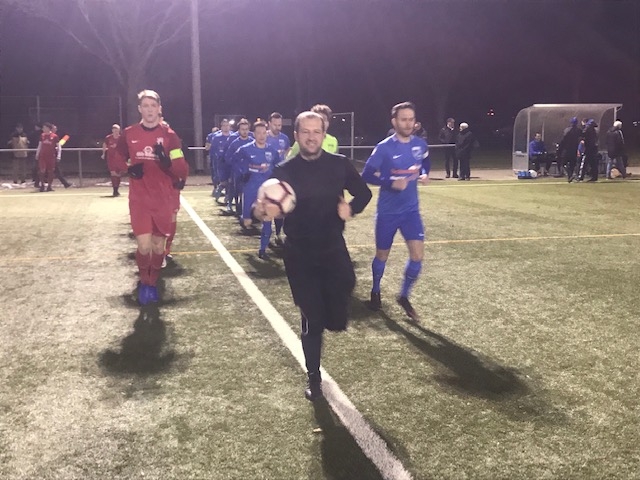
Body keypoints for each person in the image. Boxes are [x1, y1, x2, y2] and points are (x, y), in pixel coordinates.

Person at [254, 111, 372, 401]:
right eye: (305, 132)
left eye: (316, 131)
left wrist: (351, 209)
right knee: (312, 318)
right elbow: (261, 207)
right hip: (300, 253)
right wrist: (263, 211)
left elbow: (364, 194)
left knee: (341, 301)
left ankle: (332, 314)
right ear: (296, 136)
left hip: (333, 248)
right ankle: (314, 377)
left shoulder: (339, 164)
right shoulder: (284, 170)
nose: (311, 137)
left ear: (324, 134)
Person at [111, 90, 189, 305]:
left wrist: (167, 163)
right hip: (140, 199)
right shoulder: (129, 133)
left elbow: (182, 170)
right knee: (144, 246)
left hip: (163, 199)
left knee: (157, 247)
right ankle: (146, 283)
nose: (150, 110)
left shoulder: (170, 136)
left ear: (159, 109)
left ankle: (153, 280)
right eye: (145, 106)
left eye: (153, 106)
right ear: (140, 109)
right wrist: (128, 168)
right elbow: (116, 158)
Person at [362, 101, 430, 321]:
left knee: (417, 256)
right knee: (382, 255)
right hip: (388, 213)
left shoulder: (420, 144)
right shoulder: (384, 147)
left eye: (411, 119)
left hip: (411, 211)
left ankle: (404, 295)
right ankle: (375, 291)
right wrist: (391, 183)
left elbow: (425, 161)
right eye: (403, 119)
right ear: (394, 122)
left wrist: (425, 173)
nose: (408, 123)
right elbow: (366, 174)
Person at [237, 121, 280, 258]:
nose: (261, 136)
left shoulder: (272, 151)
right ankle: (245, 217)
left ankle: (263, 250)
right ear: (254, 134)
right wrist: (242, 173)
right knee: (247, 222)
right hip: (251, 189)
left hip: (266, 192)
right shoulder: (245, 149)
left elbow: (279, 167)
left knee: (267, 220)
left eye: (263, 133)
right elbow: (234, 161)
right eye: (258, 133)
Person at [266, 112, 291, 246]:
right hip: (266, 177)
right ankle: (266, 232)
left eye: (279, 125)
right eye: (275, 125)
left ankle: (278, 233)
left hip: (280, 177)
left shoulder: (284, 138)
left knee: (280, 205)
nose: (277, 127)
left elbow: (287, 151)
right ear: (269, 124)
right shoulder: (264, 137)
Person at [224, 118, 254, 216]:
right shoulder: (235, 143)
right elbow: (228, 158)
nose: (244, 131)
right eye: (242, 129)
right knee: (238, 191)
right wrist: (236, 167)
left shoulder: (253, 142)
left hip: (251, 172)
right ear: (239, 130)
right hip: (237, 173)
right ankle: (238, 209)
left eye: (246, 129)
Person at [209, 119, 234, 202]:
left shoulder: (233, 137)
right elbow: (213, 151)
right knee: (222, 180)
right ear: (221, 127)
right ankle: (218, 189)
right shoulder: (216, 138)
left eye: (227, 125)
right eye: (224, 125)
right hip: (221, 162)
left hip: (231, 162)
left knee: (231, 180)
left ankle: (228, 196)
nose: (226, 127)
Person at [557, 117, 582, 183]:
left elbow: (563, 140)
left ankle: (570, 175)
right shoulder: (579, 130)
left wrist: (560, 148)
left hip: (566, 149)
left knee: (563, 163)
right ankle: (570, 176)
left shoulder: (567, 130)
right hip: (574, 149)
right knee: (572, 164)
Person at [35, 122, 59, 192]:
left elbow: (59, 146)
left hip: (51, 156)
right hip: (43, 156)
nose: (43, 129)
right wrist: (37, 154)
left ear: (48, 128)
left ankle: (49, 186)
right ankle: (42, 185)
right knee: (42, 170)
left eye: (44, 128)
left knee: (51, 171)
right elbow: (40, 145)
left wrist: (58, 156)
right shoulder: (42, 135)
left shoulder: (54, 136)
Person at [102, 124, 122, 196]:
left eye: (117, 130)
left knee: (118, 174)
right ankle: (115, 190)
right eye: (115, 130)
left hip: (119, 158)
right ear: (112, 130)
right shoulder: (108, 138)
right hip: (111, 158)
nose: (116, 132)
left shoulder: (121, 138)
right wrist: (103, 153)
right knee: (113, 173)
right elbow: (104, 144)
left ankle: (117, 189)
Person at [204, 126, 220, 195]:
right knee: (215, 173)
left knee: (215, 173)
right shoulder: (210, 136)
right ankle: (217, 188)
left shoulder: (211, 136)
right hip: (214, 157)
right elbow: (207, 148)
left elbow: (207, 148)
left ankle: (217, 188)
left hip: (217, 157)